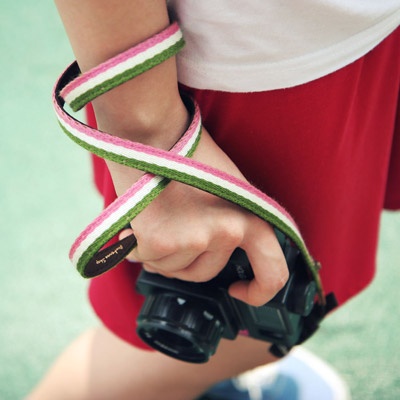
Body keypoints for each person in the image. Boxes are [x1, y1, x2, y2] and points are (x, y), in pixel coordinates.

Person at [28, 1, 400, 399]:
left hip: (349, 34)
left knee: (251, 307)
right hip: (251, 67)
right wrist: (151, 132)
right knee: (247, 325)